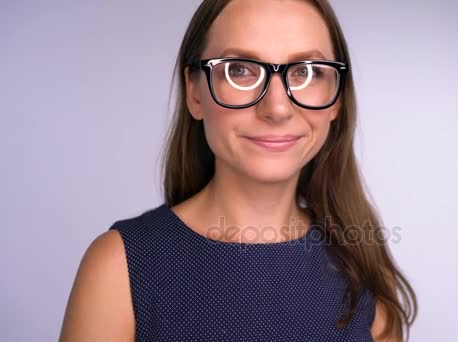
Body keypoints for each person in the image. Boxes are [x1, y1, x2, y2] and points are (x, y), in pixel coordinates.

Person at [59, 0, 417, 341]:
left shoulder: (362, 266)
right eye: (240, 70)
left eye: (307, 72)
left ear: (336, 99)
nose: (276, 108)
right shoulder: (119, 268)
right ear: (195, 92)